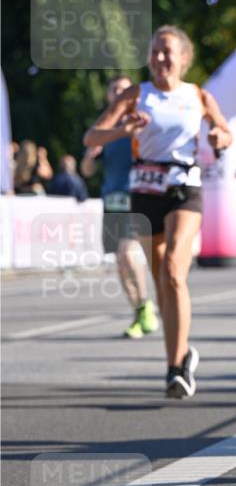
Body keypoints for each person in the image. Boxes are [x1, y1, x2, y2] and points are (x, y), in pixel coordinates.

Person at [84, 25, 233, 397]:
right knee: (162, 284)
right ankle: (182, 354)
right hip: (144, 193)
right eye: (154, 52)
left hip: (184, 188)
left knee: (173, 271)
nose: (160, 58)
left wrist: (219, 137)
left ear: (184, 58)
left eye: (167, 52)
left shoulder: (197, 95)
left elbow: (224, 131)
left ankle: (174, 368)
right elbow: (92, 137)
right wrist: (122, 129)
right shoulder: (137, 95)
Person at [81, 76, 159, 340]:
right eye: (115, 89)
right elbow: (86, 170)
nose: (119, 93)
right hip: (111, 199)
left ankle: (147, 304)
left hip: (137, 197)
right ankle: (140, 309)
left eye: (124, 89)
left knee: (127, 252)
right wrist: (91, 157)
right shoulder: (105, 130)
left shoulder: (139, 123)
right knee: (119, 262)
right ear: (108, 96)